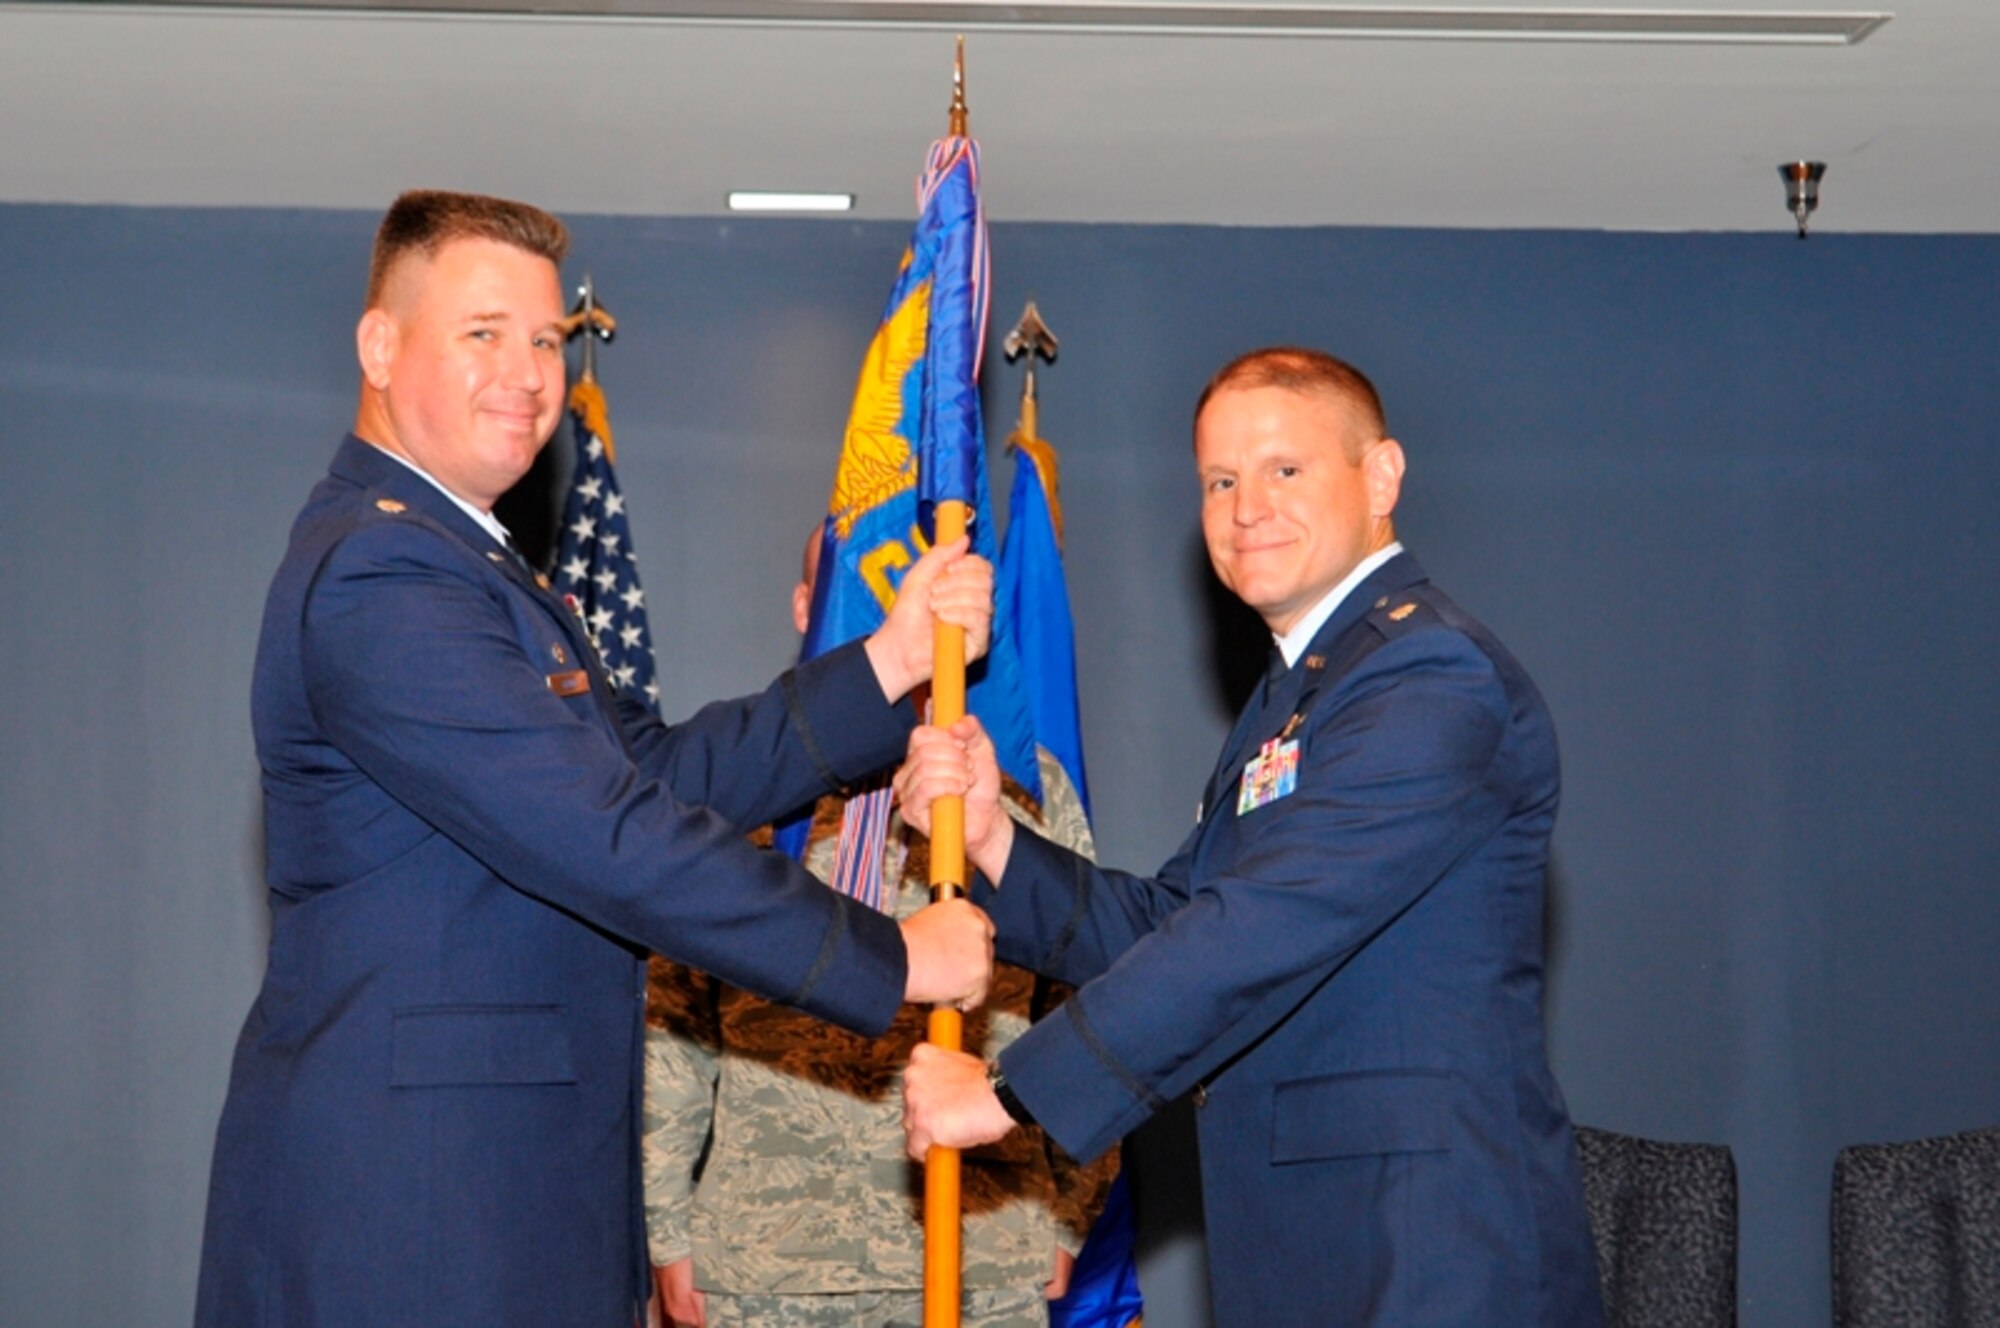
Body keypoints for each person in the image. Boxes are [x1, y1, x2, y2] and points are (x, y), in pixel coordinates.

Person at [194, 190, 996, 1328]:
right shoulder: (383, 573)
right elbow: (604, 833)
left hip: (498, 1198)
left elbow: (655, 778)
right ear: (380, 345)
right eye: (482, 333)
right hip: (414, 1210)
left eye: (544, 340)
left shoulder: (469, 566)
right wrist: (887, 955)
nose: (527, 373)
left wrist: (886, 657)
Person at [895, 348, 1605, 1326]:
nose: (1243, 507)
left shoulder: (1429, 674)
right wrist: (993, 840)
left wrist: (1010, 1093)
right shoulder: (1300, 692)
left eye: (1283, 470)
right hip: (1313, 1242)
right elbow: (1179, 920)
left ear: (1381, 476)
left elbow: (1255, 928)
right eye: (1219, 480)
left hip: (1427, 1257)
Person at [641, 533, 1112, 1328]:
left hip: (981, 1251)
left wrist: (1068, 1212)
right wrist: (668, 1234)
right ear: (806, 609)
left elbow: (1090, 1000)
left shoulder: (1022, 793)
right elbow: (674, 1023)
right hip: (770, 1262)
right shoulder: (750, 786)